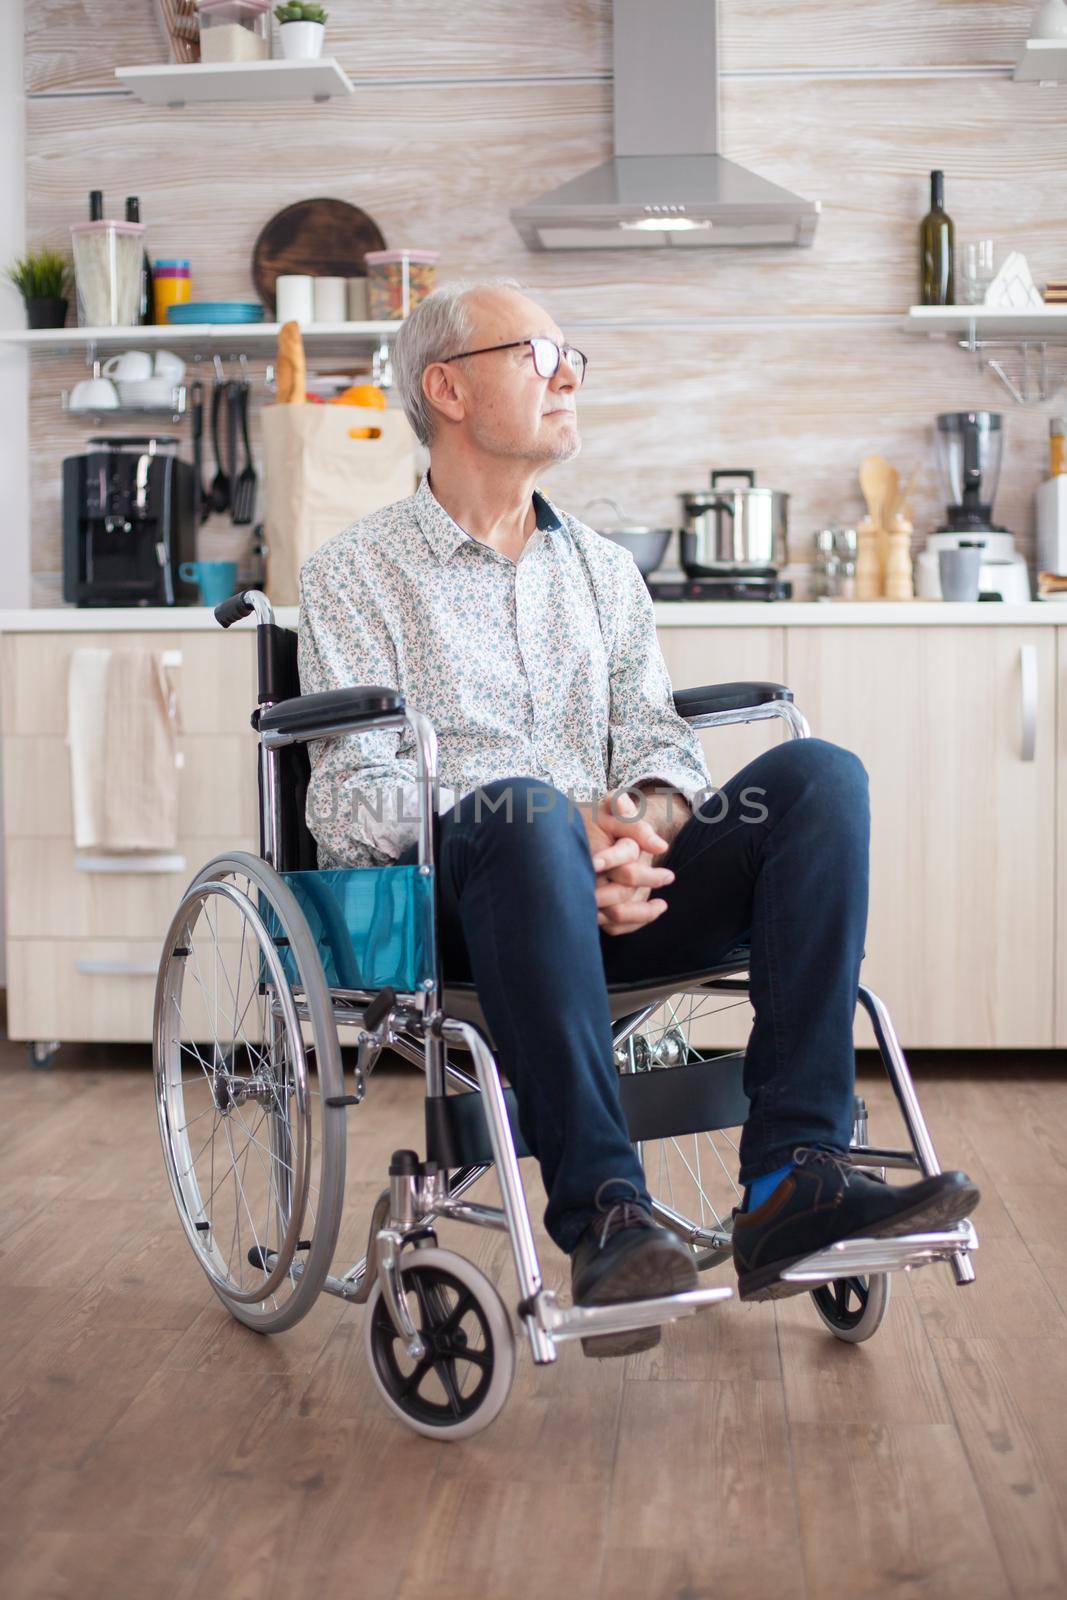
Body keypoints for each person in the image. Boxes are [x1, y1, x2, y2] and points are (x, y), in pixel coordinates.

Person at [298, 281, 978, 1356]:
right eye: (538, 352)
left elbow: (661, 751)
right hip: (463, 904)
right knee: (520, 811)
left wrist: (635, 833)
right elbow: (345, 799)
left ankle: (791, 1176)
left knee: (818, 777)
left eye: (572, 353)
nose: (568, 372)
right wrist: (558, 826)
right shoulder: (352, 575)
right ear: (447, 388)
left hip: (622, 889)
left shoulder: (603, 572)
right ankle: (607, 1214)